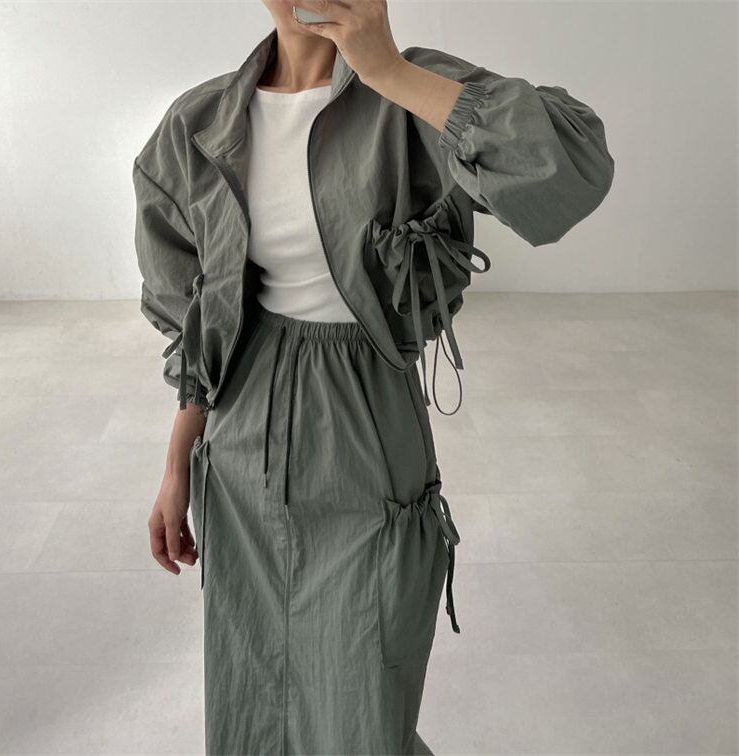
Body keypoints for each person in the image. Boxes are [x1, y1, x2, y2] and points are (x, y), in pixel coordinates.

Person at [132, 1, 615, 753]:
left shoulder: (412, 91)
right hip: (241, 436)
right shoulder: (198, 125)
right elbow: (197, 321)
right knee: (255, 690)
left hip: (365, 424)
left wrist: (388, 71)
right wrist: (174, 470)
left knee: (363, 699)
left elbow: (570, 172)